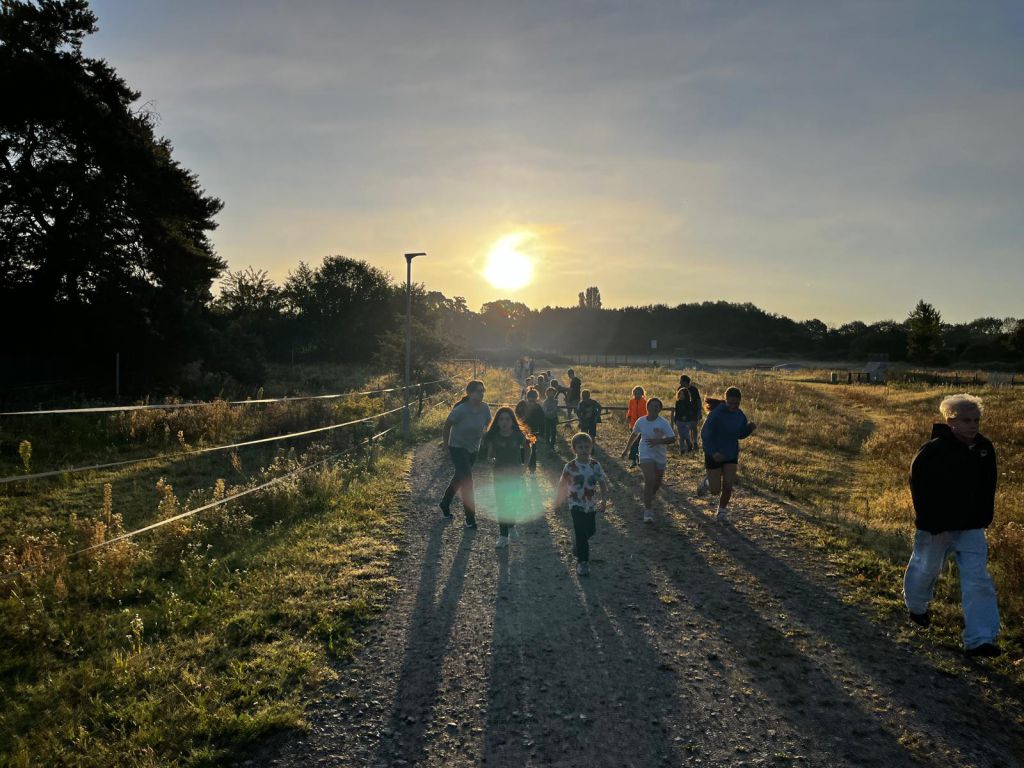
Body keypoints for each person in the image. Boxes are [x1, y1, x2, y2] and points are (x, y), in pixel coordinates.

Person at [903, 394, 1000, 658]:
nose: (973, 425)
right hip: (936, 526)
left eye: (976, 420)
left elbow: (988, 487)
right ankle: (917, 607)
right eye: (966, 420)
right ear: (950, 421)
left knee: (978, 579)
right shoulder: (932, 451)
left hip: (971, 526)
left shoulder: (984, 448)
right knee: (926, 567)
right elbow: (919, 488)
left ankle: (980, 639)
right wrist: (931, 521)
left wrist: (983, 518)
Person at [697, 386, 756, 523]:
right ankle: (707, 482)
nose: (734, 406)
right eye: (731, 403)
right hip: (714, 454)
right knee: (715, 490)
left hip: (730, 454)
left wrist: (749, 429)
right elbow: (705, 435)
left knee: (728, 485)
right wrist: (713, 452)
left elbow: (740, 434)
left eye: (737, 403)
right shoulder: (716, 414)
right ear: (725, 400)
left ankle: (721, 512)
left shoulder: (740, 415)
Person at [555, 432, 609, 576]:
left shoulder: (595, 465)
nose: (584, 449)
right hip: (575, 504)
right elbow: (562, 484)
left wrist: (604, 500)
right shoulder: (570, 466)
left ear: (591, 447)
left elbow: (602, 483)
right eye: (580, 447)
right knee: (580, 532)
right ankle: (582, 563)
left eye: (587, 446)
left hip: (590, 504)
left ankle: (578, 545)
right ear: (574, 449)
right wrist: (558, 500)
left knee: (590, 530)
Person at [439, 380, 491, 528]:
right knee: (467, 480)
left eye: (482, 391)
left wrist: (485, 435)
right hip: (457, 447)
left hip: (473, 449)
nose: (481, 394)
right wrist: (445, 444)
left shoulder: (485, 408)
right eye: (478, 391)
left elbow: (488, 423)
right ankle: (470, 518)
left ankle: (445, 503)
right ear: (469, 393)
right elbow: (447, 426)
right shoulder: (461, 409)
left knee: (459, 478)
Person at [481, 406, 533, 548]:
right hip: (499, 475)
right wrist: (490, 460)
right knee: (502, 505)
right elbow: (489, 455)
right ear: (497, 422)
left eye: (507, 419)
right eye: (501, 419)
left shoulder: (518, 435)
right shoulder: (493, 437)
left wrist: (525, 465)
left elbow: (528, 449)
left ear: (512, 421)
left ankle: (511, 526)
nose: (504, 422)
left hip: (515, 475)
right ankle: (503, 536)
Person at [621, 397, 675, 523]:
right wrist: (626, 449)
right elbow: (634, 435)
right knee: (649, 480)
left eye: (657, 406)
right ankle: (648, 510)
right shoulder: (641, 421)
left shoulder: (663, 423)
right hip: (645, 453)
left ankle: (650, 495)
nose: (654, 408)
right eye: (652, 405)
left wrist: (659, 441)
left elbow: (672, 438)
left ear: (660, 409)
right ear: (647, 407)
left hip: (660, 455)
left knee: (657, 483)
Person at [517, 388, 547, 472]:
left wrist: (541, 433)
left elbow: (542, 421)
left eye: (533, 400)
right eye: (530, 400)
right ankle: (521, 468)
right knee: (522, 449)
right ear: (527, 398)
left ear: (536, 398)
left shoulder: (538, 408)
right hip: (523, 431)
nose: (531, 402)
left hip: (533, 433)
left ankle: (532, 469)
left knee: (532, 451)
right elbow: (517, 416)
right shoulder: (522, 405)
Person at [625, 386, 647, 467]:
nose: (636, 395)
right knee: (634, 443)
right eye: (635, 393)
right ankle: (633, 460)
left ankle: (640, 459)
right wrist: (628, 417)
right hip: (633, 425)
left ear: (642, 394)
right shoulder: (631, 401)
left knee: (641, 443)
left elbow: (647, 413)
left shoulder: (645, 402)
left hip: (643, 425)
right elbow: (630, 411)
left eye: (638, 393)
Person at [673, 386, 696, 453]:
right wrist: (676, 419)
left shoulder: (689, 403)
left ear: (686, 395)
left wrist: (686, 416)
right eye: (680, 394)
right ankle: (681, 450)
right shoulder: (678, 402)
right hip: (679, 421)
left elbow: (690, 412)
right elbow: (677, 412)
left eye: (682, 394)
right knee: (681, 436)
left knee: (685, 434)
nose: (681, 395)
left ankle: (689, 444)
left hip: (687, 421)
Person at [681, 375, 701, 450]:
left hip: (693, 411)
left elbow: (698, 401)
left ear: (685, 381)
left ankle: (695, 442)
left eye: (681, 381)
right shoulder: (680, 389)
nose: (680, 382)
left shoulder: (694, 389)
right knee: (686, 428)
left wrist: (699, 411)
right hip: (685, 412)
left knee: (694, 427)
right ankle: (689, 443)